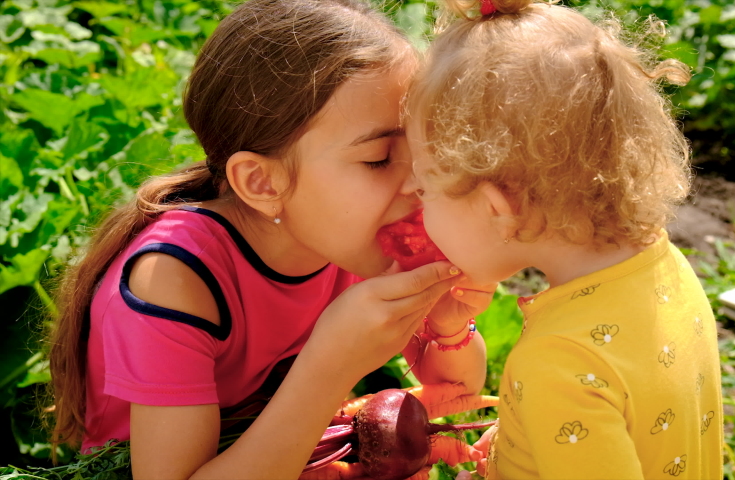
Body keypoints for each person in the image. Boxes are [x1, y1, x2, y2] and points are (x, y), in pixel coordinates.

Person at [45, 0, 492, 477]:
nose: (417, 181)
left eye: (420, 148)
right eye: (380, 158)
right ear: (262, 183)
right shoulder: (174, 278)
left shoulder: (345, 233)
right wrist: (330, 367)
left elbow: (458, 393)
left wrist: (448, 325)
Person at [403, 0, 724, 478]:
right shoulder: (665, 264)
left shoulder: (557, 365)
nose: (410, 195)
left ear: (498, 210)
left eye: (424, 185)